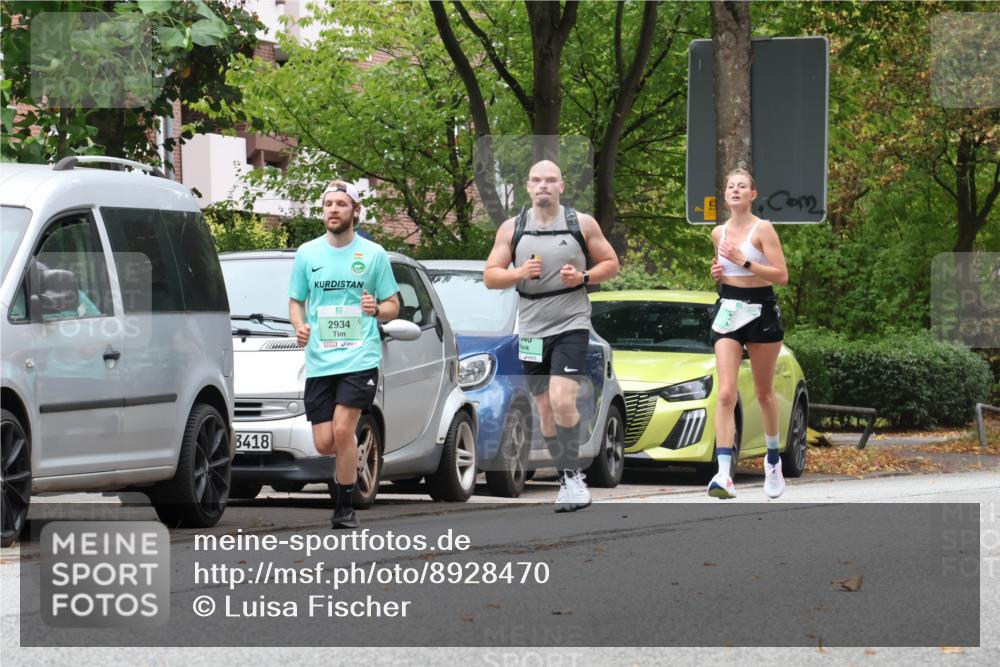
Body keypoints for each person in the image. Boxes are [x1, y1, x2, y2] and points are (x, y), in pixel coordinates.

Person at [484, 160, 620, 512]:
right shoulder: (513, 228)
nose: (543, 186)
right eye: (536, 180)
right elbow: (490, 276)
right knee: (544, 409)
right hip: (530, 329)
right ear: (528, 187)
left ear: (561, 186)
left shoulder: (580, 223)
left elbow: (611, 263)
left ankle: (575, 478)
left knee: (562, 399)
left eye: (550, 180)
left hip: (571, 322)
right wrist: (519, 273)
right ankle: (565, 479)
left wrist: (584, 277)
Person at [289, 180, 400, 528]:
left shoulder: (373, 254)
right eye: (328, 205)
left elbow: (394, 306)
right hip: (321, 358)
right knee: (325, 442)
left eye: (341, 204)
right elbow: (296, 301)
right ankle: (352, 455)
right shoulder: (307, 253)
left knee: (341, 430)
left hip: (360, 357)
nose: (333, 210)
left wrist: (376, 308)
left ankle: (344, 505)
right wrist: (299, 325)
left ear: (356, 211)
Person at [709, 168, 789, 500]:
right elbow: (725, 271)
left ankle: (773, 460)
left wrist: (743, 262)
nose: (736, 190)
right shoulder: (718, 232)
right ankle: (723, 474)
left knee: (764, 393)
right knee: (726, 393)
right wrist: (717, 271)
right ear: (725, 194)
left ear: (753, 194)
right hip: (729, 307)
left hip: (761, 310)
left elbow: (781, 275)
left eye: (742, 186)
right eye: (731, 186)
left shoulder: (763, 229)